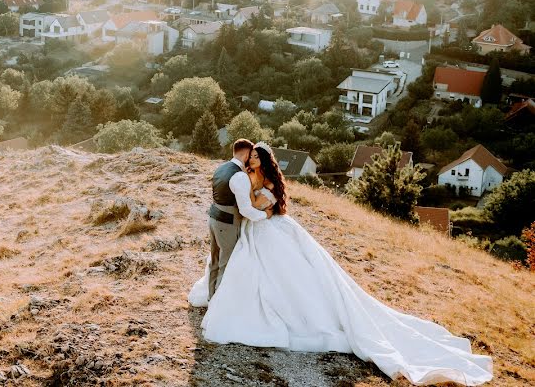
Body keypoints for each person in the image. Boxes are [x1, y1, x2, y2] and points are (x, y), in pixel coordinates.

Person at [190, 143, 493, 386]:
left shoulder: (265, 183)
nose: (251, 158)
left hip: (269, 232)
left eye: (256, 156)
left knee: (284, 278)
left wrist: (258, 204)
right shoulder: (249, 175)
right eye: (251, 155)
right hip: (253, 232)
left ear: (265, 161)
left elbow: (257, 207)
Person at [204, 138, 273, 302]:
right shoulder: (239, 176)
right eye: (251, 155)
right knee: (226, 264)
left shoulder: (222, 167)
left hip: (213, 218)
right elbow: (246, 210)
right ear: (246, 154)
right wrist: (265, 215)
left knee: (214, 261)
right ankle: (217, 305)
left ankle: (211, 297)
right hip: (227, 223)